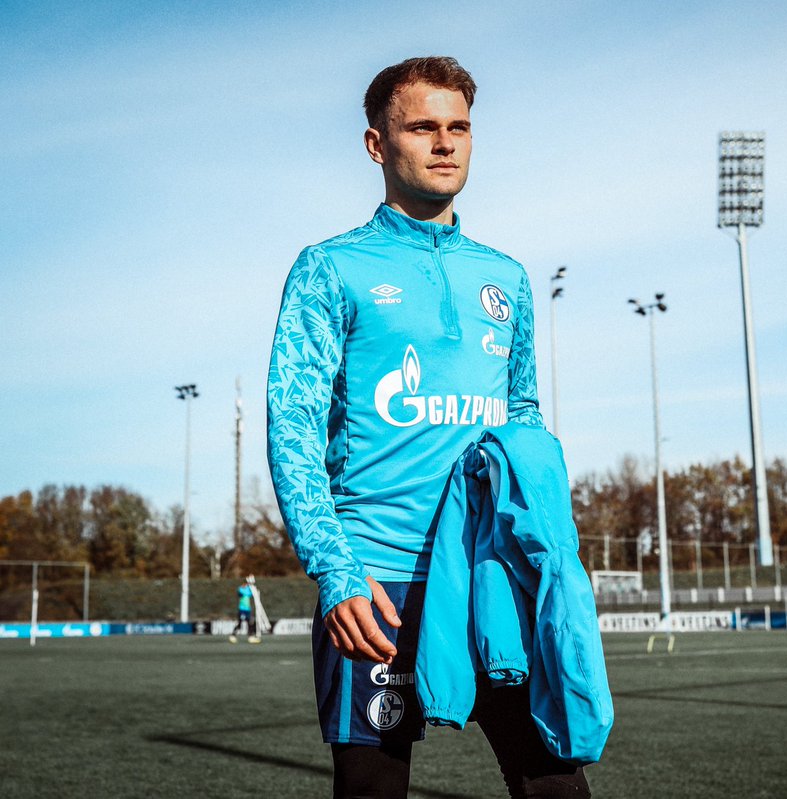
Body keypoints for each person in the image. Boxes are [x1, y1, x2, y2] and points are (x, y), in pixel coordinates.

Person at [267, 57, 590, 798]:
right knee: (374, 790)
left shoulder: (506, 277)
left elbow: (524, 420)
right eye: (422, 127)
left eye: (459, 128)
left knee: (555, 784)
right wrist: (334, 569)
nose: (445, 144)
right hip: (377, 583)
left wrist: (545, 551)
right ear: (379, 145)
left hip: (490, 577)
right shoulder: (329, 268)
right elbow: (293, 426)